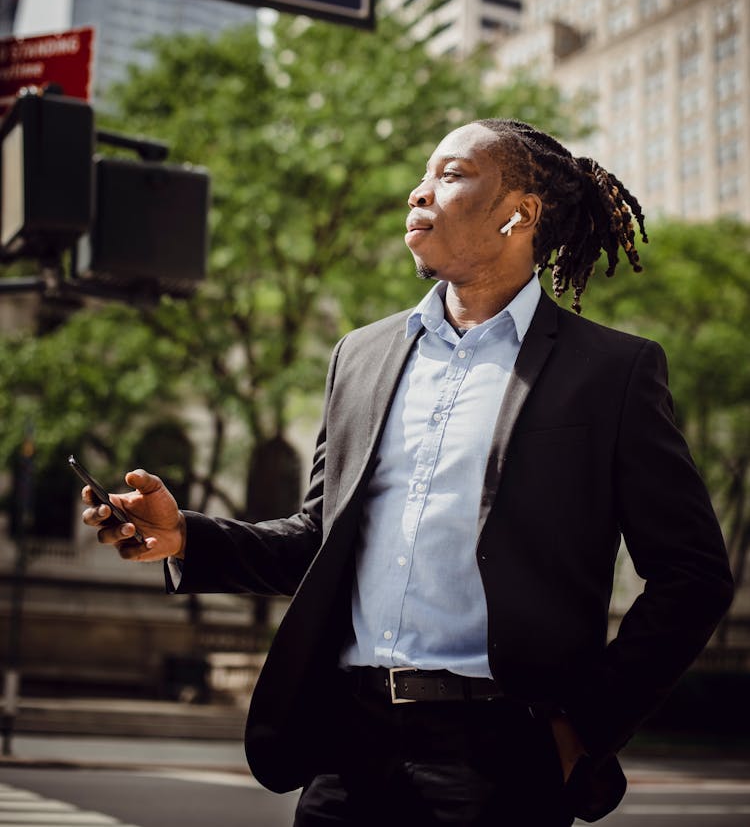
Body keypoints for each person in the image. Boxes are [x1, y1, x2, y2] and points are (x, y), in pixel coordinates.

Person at [82, 119, 734, 826]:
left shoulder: (611, 372)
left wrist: (582, 729)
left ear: (522, 211)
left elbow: (693, 576)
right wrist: (184, 537)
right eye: (424, 174)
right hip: (346, 749)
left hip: (501, 758)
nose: (420, 191)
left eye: (452, 175)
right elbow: (316, 539)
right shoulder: (359, 356)